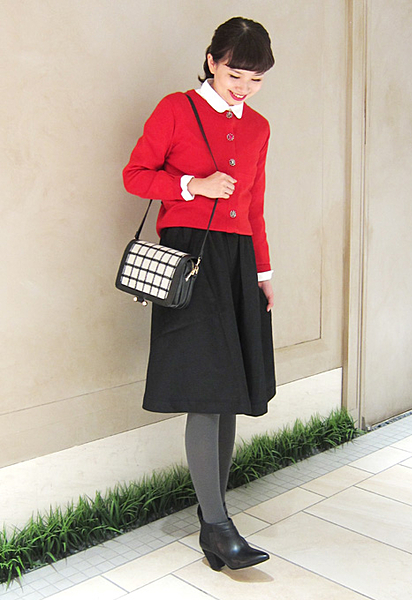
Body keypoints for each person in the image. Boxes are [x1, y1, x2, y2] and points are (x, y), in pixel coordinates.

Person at [123, 16, 276, 571]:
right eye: (236, 74)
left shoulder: (258, 127)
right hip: (188, 259)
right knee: (207, 391)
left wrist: (263, 272)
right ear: (212, 61)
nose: (244, 88)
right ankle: (217, 527)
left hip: (238, 262)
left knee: (229, 390)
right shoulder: (176, 109)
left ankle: (216, 519)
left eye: (255, 80)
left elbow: (255, 205)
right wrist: (193, 185)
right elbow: (135, 176)